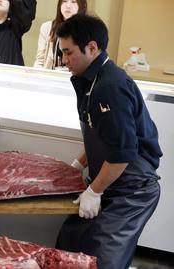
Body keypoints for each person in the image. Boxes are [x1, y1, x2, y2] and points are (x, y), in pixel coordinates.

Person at [55, 14, 162, 269]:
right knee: (70, 242)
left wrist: (94, 191)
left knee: (101, 261)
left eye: (69, 53)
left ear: (91, 48)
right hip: (111, 179)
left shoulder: (110, 86)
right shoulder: (89, 80)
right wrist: (78, 164)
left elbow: (123, 153)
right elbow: (101, 135)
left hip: (132, 189)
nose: (64, 60)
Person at [33, 0, 86, 69]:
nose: (68, 6)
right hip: (50, 76)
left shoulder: (87, 30)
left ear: (81, 5)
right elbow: (40, 61)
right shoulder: (47, 27)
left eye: (73, 2)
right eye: (64, 1)